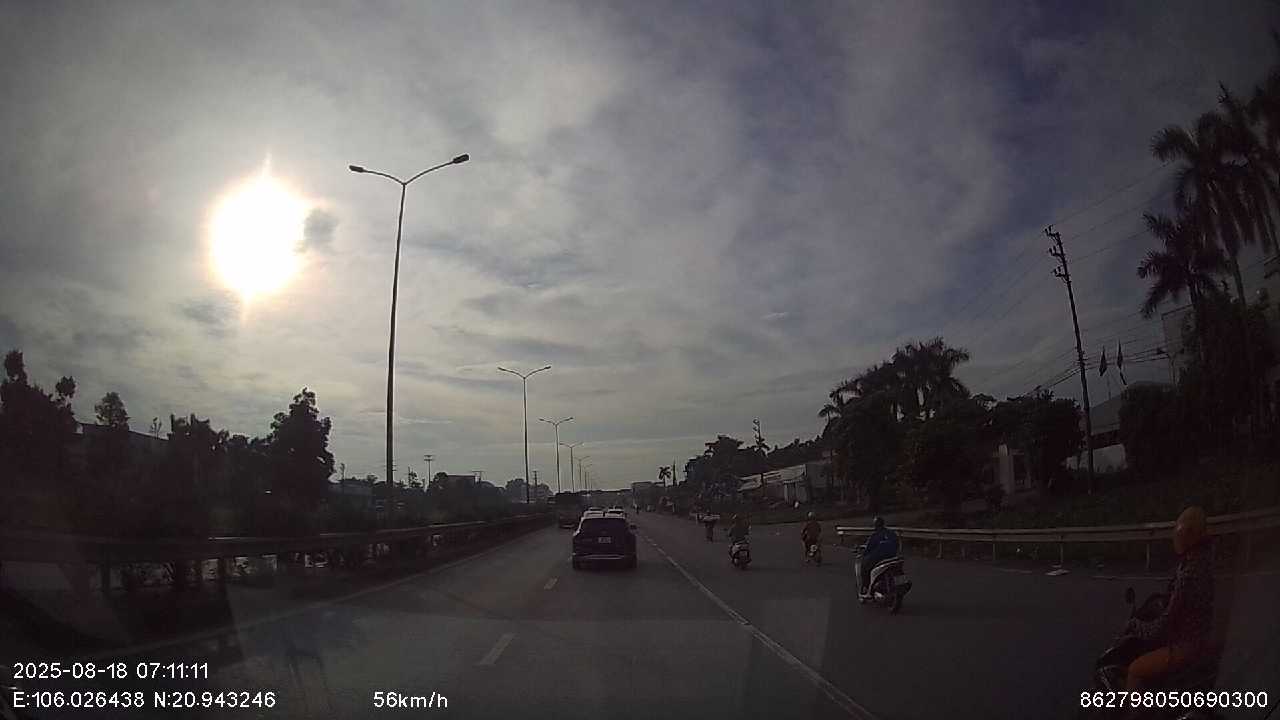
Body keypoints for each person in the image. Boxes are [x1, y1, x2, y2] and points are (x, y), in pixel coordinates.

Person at [1124, 506, 1214, 691]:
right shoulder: (1201, 560)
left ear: (1186, 537)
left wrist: (1138, 627)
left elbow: (1166, 621)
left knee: (1134, 670)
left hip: (1186, 644)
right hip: (1200, 633)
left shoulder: (1189, 574)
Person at [859, 516, 899, 594]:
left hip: (879, 558)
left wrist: (864, 554)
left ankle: (865, 587)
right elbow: (897, 544)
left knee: (864, 566)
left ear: (875, 525)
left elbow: (868, 548)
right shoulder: (892, 533)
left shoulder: (875, 535)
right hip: (892, 556)